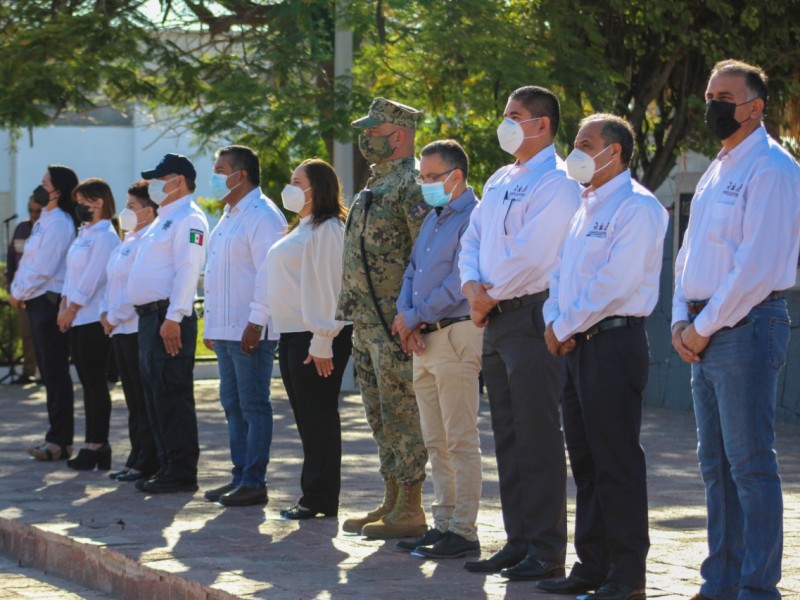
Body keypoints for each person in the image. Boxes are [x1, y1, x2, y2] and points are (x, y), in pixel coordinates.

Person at [671, 60, 800, 600]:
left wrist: (701, 326)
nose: (712, 104)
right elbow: (690, 249)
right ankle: (719, 582)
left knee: (749, 463)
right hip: (704, 325)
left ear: (755, 107)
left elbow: (755, 265)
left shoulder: (772, 168)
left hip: (746, 325)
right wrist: (680, 315)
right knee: (715, 465)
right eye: (709, 94)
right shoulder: (719, 167)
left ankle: (756, 587)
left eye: (724, 95)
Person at [538, 114, 667, 600]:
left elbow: (613, 284)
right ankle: (592, 566)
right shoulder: (583, 209)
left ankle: (628, 575)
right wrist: (554, 321)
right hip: (575, 346)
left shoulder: (637, 208)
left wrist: (564, 325)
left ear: (614, 151)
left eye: (585, 144)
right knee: (587, 464)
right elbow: (559, 277)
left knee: (617, 464)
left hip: (613, 344)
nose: (576, 152)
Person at [458, 85, 580, 578]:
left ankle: (547, 550)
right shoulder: (500, 178)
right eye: (505, 113)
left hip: (531, 315)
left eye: (514, 115)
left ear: (542, 125)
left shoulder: (559, 182)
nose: (504, 122)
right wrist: (471, 286)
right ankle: (518, 540)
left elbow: (533, 253)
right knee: (507, 435)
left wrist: (487, 295)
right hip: (496, 317)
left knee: (537, 436)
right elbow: (473, 238)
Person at [337, 97, 431, 539]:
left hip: (396, 326)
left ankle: (411, 507)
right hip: (366, 322)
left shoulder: (411, 185)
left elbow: (425, 257)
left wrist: (413, 316)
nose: (366, 138)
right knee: (378, 415)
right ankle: (392, 497)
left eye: (374, 131)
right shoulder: (375, 185)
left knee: (402, 415)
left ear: (399, 134)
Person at [390, 139, 483, 559]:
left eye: (431, 178)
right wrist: (406, 315)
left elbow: (459, 280)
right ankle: (443, 522)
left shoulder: (474, 218)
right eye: (422, 177)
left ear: (456, 176)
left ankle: (463, 530)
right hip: (425, 338)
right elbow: (413, 271)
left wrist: (416, 315)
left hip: (455, 333)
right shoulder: (433, 218)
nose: (424, 185)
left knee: (460, 437)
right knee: (435, 439)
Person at [267, 158, 353, 519]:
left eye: (296, 180)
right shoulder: (302, 227)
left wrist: (322, 340)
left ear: (316, 187)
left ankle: (320, 498)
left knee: (318, 418)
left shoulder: (328, 228)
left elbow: (332, 288)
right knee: (306, 418)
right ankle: (312, 494)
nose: (289, 185)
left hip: (315, 337)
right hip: (292, 335)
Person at [201, 145, 286, 507]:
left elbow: (270, 272)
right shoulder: (229, 215)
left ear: (242, 174)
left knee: (253, 405)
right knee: (233, 404)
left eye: (221, 170)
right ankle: (240, 476)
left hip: (250, 328)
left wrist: (257, 320)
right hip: (225, 329)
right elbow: (216, 275)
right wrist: (211, 324)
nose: (216, 176)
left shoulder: (263, 215)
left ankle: (254, 480)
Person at [128, 153, 209, 494]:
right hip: (150, 318)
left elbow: (187, 270)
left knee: (172, 394)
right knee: (156, 396)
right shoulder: (165, 219)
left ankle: (180, 470)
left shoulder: (189, 219)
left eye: (161, 179)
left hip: (167, 317)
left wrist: (174, 316)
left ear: (178, 180)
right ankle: (165, 465)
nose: (155, 185)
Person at [10, 165, 78, 461]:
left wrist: (18, 292)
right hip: (35, 301)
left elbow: (44, 267)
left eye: (44, 182)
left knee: (55, 372)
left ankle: (60, 440)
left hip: (48, 303)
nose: (39, 186)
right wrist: (18, 290)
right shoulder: (45, 220)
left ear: (57, 190)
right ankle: (56, 437)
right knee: (48, 373)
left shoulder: (60, 222)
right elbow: (27, 262)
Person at [56, 178, 121, 471]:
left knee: (95, 383)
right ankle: (91, 444)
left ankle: (98, 445)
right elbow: (72, 275)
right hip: (77, 316)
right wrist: (64, 304)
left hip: (93, 317)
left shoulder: (105, 235)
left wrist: (72, 308)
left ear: (98, 202)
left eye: (83, 201)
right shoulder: (84, 233)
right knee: (86, 382)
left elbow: (94, 277)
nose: (78, 207)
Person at [100, 181, 160, 482]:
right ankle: (136, 456)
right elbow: (113, 282)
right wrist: (105, 311)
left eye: (132, 206)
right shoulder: (128, 240)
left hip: (133, 325)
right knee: (132, 399)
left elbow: (133, 288)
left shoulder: (145, 241)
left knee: (141, 397)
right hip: (119, 328)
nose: (126, 211)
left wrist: (113, 315)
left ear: (148, 211)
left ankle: (146, 459)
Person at [5, 194, 43, 384]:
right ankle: (28, 372)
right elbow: (12, 260)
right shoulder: (21, 228)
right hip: (21, 294)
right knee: (27, 335)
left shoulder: (48, 231)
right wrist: (11, 287)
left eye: (38, 211)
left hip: (42, 295)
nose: (34, 215)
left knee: (44, 336)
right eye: (31, 211)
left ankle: (44, 373)